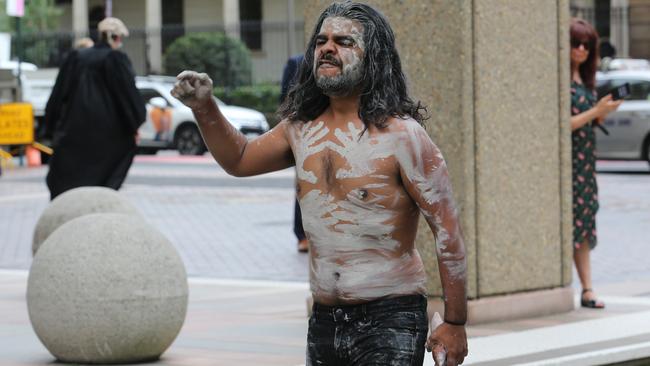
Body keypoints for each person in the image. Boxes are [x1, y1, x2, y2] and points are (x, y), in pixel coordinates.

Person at [171, 2, 468, 365]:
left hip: (391, 316)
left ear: (372, 56)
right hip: (325, 319)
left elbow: (448, 232)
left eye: (344, 41)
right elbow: (240, 158)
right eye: (321, 40)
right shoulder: (300, 130)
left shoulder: (403, 136)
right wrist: (205, 108)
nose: (327, 48)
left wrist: (455, 321)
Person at [44, 17, 145, 200]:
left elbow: (58, 95)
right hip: (107, 137)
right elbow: (127, 98)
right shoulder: (116, 60)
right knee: (101, 184)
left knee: (69, 185)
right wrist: (134, 126)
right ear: (117, 38)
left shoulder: (76, 58)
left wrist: (51, 128)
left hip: (73, 133)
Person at [569, 18, 622, 309]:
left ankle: (587, 288)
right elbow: (562, 125)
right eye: (575, 43)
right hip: (569, 167)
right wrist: (595, 112)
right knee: (573, 226)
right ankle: (583, 288)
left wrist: (601, 114)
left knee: (585, 226)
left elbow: (584, 121)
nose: (580, 49)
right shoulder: (559, 81)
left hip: (586, 165)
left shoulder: (584, 80)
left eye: (586, 45)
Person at [281, 54, 309, 253]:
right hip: (305, 133)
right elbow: (284, 99)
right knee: (304, 184)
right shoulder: (296, 63)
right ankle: (302, 234)